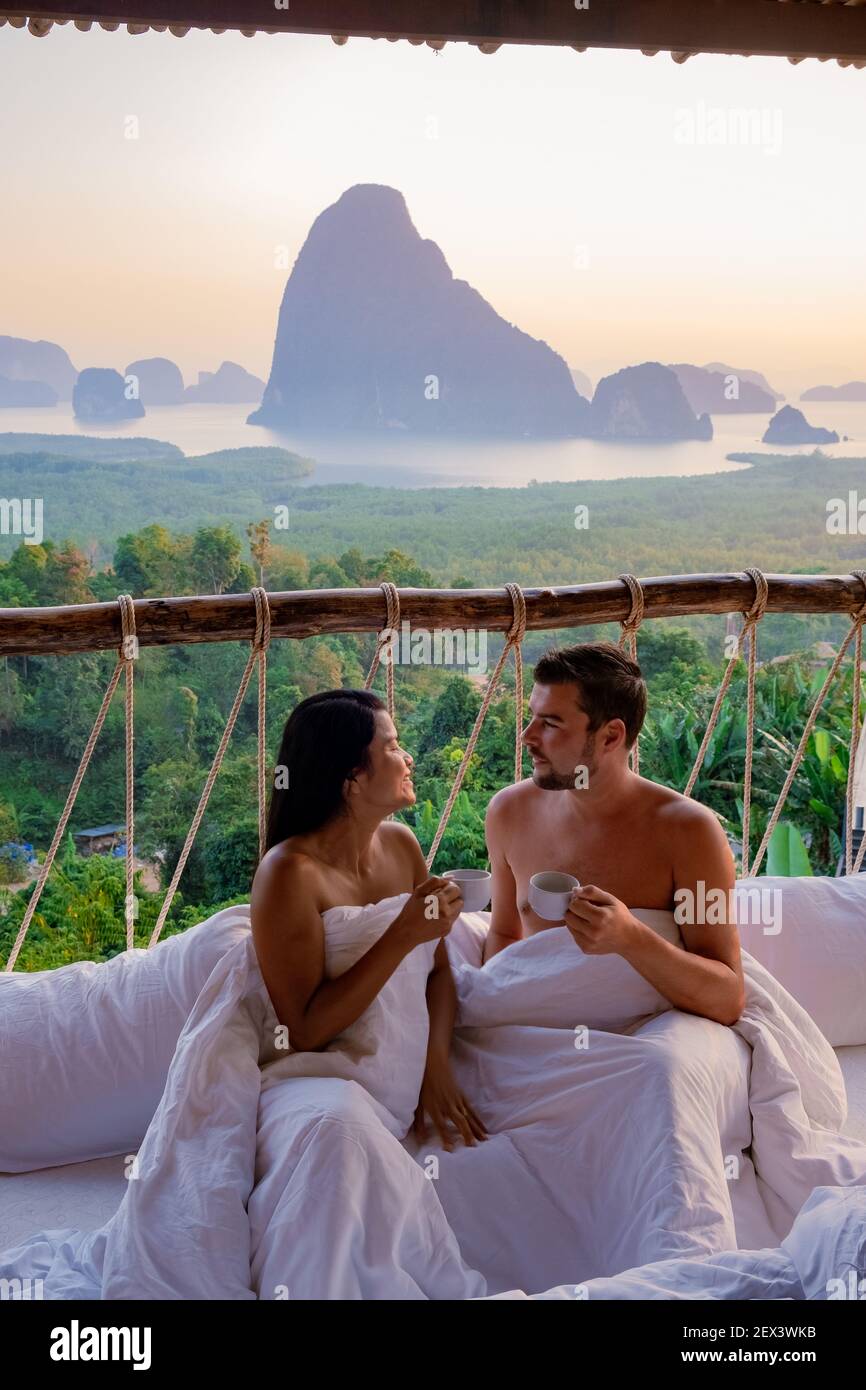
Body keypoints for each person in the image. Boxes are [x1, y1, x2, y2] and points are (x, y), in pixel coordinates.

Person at [251, 687, 488, 1152]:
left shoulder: (402, 846)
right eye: (393, 747)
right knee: (340, 1137)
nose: (408, 758)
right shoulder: (288, 873)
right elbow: (303, 1031)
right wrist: (402, 933)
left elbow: (438, 972)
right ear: (352, 779)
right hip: (320, 1073)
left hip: (405, 1065)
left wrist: (434, 1065)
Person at [483, 642, 745, 1026]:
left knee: (662, 1072)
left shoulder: (689, 832)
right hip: (538, 1027)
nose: (527, 736)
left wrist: (630, 939)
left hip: (650, 1028)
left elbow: (727, 998)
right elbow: (505, 937)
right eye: (532, 718)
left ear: (610, 737)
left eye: (551, 723)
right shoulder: (508, 812)